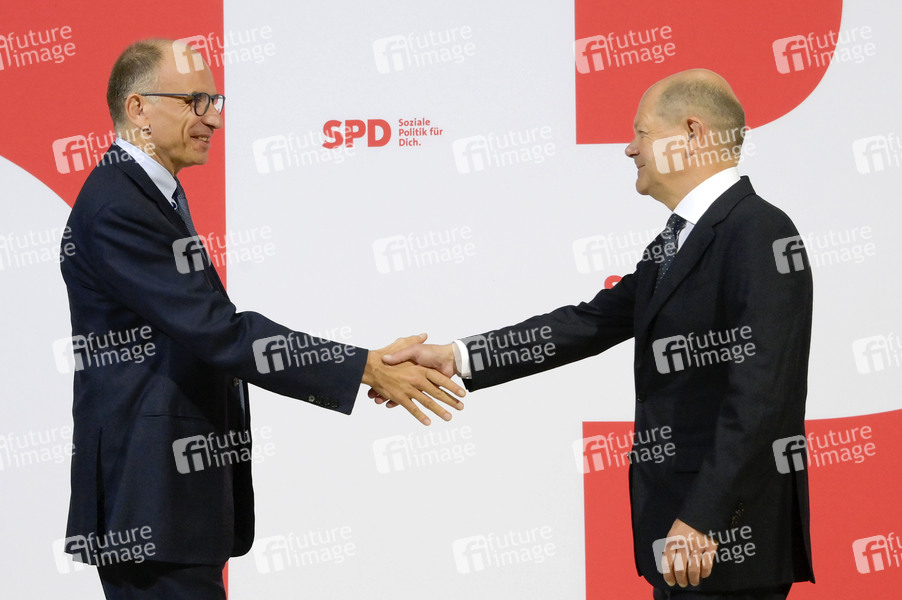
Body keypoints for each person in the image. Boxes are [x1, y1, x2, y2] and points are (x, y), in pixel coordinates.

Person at [376, 69, 814, 599]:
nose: (630, 149)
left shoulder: (761, 233)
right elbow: (589, 323)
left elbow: (763, 398)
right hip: (681, 535)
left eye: (642, 132)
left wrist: (706, 517)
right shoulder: (677, 241)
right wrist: (455, 356)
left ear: (693, 133)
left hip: (722, 540)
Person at [59, 38, 465, 600]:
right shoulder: (118, 207)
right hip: (149, 502)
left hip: (170, 507)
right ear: (138, 109)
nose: (213, 119)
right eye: (195, 101)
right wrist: (365, 368)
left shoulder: (145, 196)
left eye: (215, 101)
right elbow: (220, 332)